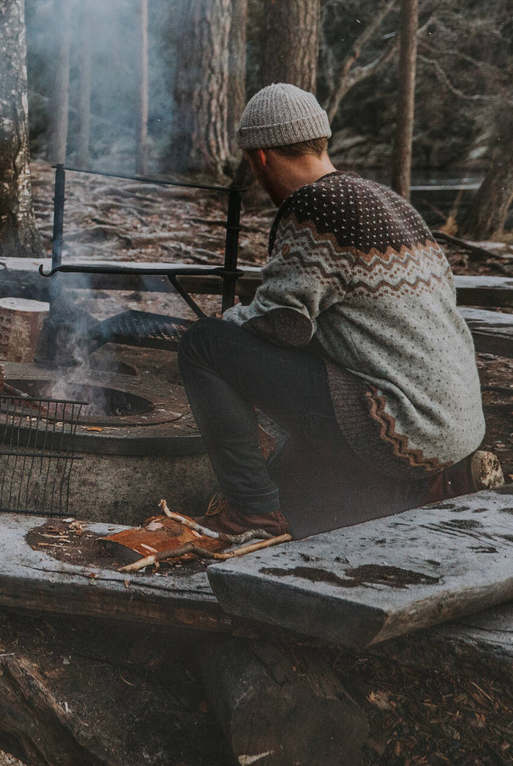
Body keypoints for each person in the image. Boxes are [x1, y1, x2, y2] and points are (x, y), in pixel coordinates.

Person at [178, 83, 485, 538]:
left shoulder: (316, 205)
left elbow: (283, 323)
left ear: (259, 158)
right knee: (301, 502)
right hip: (456, 430)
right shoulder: (396, 205)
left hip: (400, 427)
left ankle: (251, 511)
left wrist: (229, 322)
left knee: (203, 345)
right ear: (320, 142)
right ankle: (424, 489)